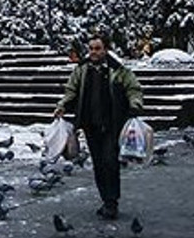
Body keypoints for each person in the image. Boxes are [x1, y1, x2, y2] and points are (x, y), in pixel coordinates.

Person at [53, 32, 143, 219]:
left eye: (97, 48)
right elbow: (71, 90)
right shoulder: (82, 69)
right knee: (98, 164)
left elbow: (133, 88)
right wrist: (62, 105)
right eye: (91, 48)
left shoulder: (118, 69)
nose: (93, 52)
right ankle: (105, 200)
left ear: (106, 49)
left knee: (110, 162)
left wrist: (135, 104)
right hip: (90, 124)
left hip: (112, 124)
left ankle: (112, 202)